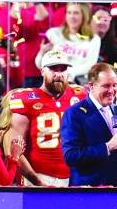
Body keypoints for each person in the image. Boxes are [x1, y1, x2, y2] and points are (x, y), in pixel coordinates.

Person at [9, 51, 85, 187]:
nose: (59, 74)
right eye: (53, 69)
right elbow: (14, 149)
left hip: (73, 177)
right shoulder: (27, 99)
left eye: (63, 69)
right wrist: (37, 181)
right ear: (42, 71)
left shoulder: (79, 95)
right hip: (38, 176)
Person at [60, 62, 117, 187]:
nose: (112, 90)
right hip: (89, 192)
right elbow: (71, 156)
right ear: (91, 86)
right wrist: (107, 147)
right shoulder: (74, 114)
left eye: (114, 85)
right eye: (106, 86)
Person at [38, 4, 101, 84]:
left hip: (78, 84)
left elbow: (90, 66)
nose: (72, 16)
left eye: (76, 13)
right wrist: (42, 52)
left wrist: (69, 73)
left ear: (84, 16)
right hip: (53, 83)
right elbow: (39, 64)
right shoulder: (53, 33)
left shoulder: (94, 39)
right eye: (69, 12)